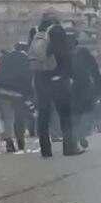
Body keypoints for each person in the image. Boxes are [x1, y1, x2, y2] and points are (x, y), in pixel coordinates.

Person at [30, 13, 79, 157]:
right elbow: (64, 54)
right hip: (58, 77)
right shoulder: (57, 30)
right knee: (65, 113)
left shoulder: (34, 31)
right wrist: (68, 75)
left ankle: (45, 149)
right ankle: (69, 147)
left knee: (43, 114)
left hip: (40, 78)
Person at [0, 41, 33, 153]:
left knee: (8, 118)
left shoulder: (3, 58)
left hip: (3, 91)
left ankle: (9, 141)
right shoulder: (25, 59)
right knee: (19, 118)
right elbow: (28, 77)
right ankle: (20, 140)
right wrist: (29, 94)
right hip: (18, 93)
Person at [67, 26, 101, 149]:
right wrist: (99, 86)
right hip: (84, 86)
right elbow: (94, 69)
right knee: (87, 111)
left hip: (68, 87)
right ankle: (81, 134)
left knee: (74, 114)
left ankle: (76, 136)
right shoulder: (83, 52)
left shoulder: (61, 54)